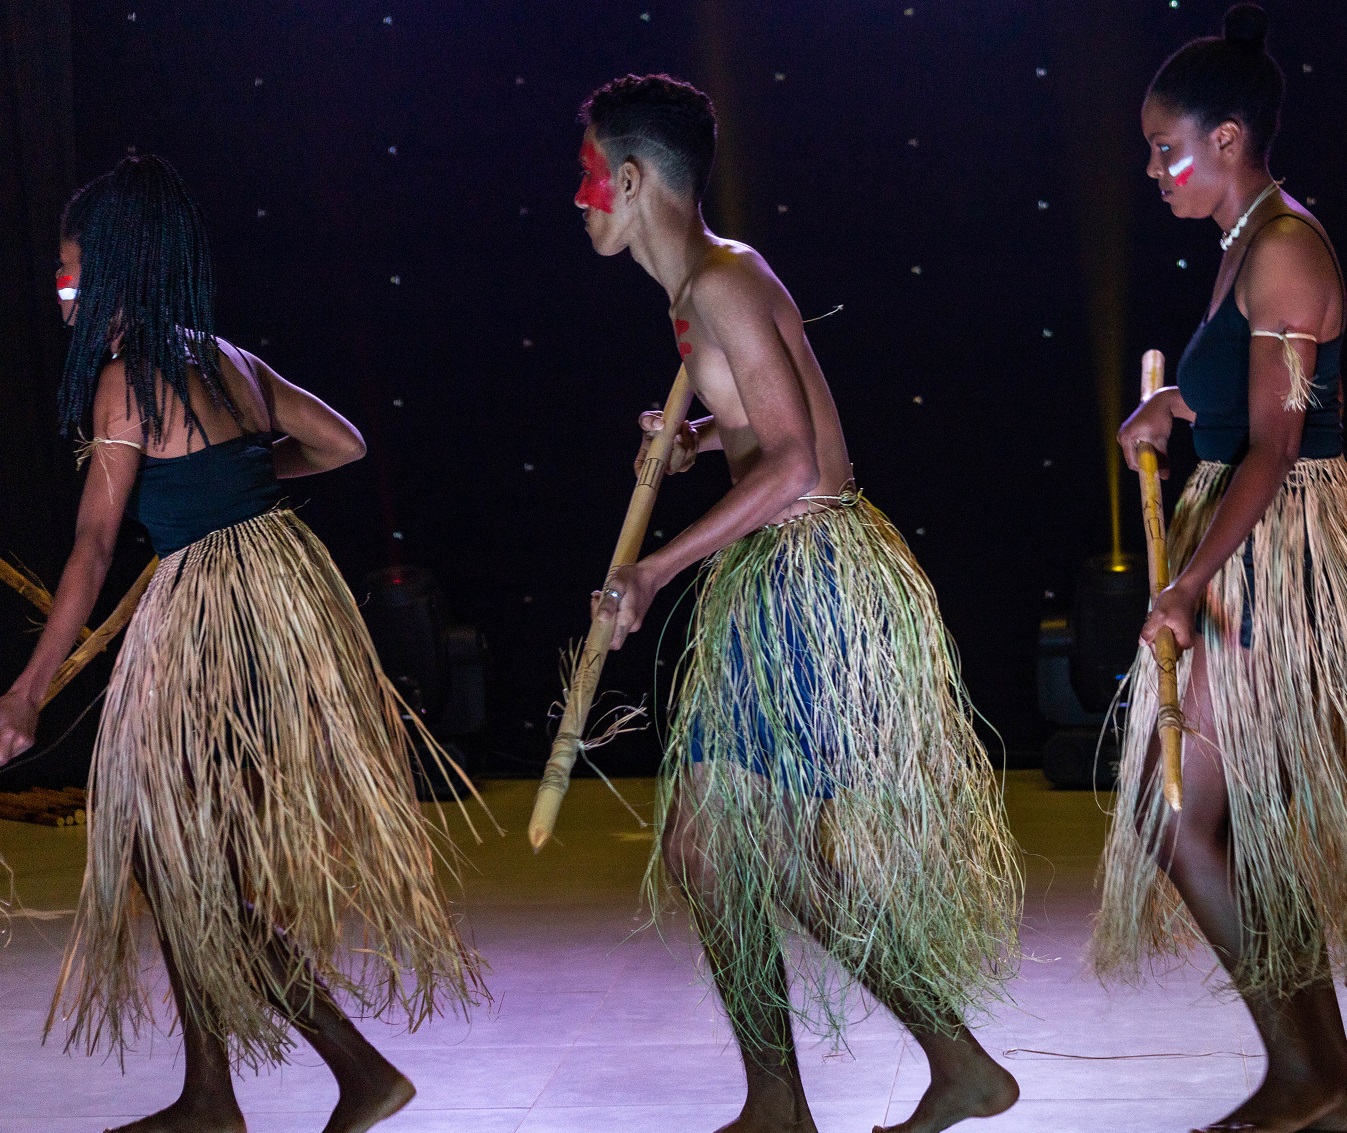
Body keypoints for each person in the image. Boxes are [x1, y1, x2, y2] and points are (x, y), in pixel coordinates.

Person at [573, 74, 1021, 1133]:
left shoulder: (721, 280)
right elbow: (759, 434)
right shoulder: (701, 289)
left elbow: (798, 464)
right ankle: (920, 1066)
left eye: (590, 177)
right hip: (789, 569)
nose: (580, 198)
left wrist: (653, 568)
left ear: (632, 179)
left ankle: (813, 1092)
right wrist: (691, 442)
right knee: (722, 848)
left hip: (809, 575)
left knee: (711, 844)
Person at [0, 155, 483, 1133]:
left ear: (114, 269)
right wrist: (245, 483)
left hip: (218, 627)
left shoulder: (123, 384)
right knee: (167, 850)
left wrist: (25, 689)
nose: (60, 287)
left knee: (183, 864)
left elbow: (94, 548)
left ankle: (350, 1068)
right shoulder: (228, 359)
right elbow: (341, 440)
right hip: (272, 605)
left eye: (68, 268)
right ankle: (215, 1094)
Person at [1094, 6, 1347, 1131]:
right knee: (1200, 818)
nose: (1155, 170)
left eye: (1165, 147)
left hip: (1272, 559)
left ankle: (1308, 1070)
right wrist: (1174, 399)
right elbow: (1240, 394)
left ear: (1230, 136)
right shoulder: (1247, 237)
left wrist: (1192, 582)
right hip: (1244, 549)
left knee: (1180, 813)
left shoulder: (1285, 245)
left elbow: (1281, 443)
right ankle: (1317, 1068)